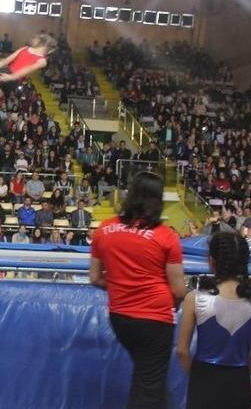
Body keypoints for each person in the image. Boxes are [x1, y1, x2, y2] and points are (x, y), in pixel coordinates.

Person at [89, 172, 187, 409]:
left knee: (150, 378)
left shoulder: (105, 228)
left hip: (121, 317)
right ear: (157, 198)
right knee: (149, 383)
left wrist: (123, 285)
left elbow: (94, 277)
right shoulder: (166, 236)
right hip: (155, 318)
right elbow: (178, 289)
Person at [176, 232, 251, 409]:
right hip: (238, 381)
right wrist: (239, 374)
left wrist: (195, 375)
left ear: (211, 261)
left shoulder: (195, 298)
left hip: (203, 379)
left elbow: (182, 350)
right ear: (244, 261)